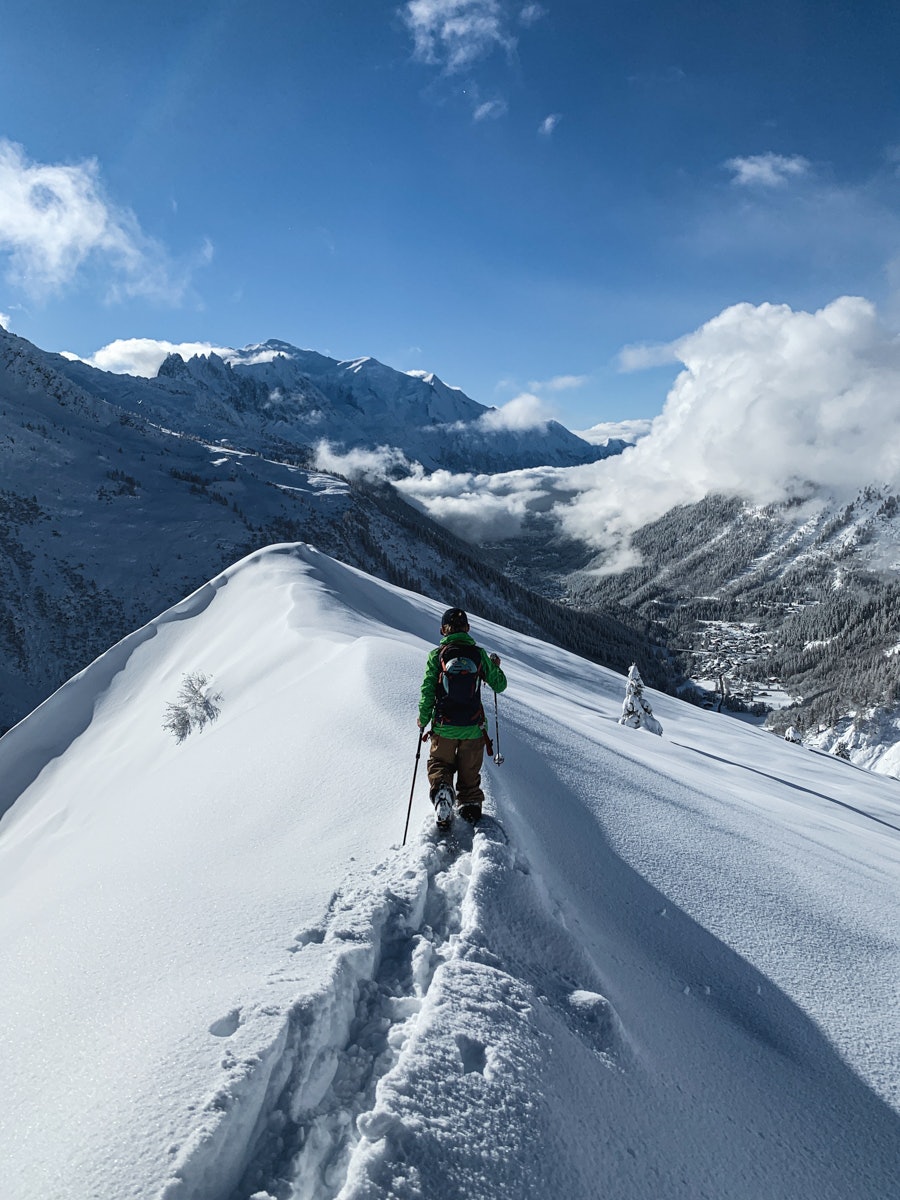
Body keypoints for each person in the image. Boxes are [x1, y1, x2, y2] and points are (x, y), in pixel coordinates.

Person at [417, 606, 507, 826]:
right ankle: (470, 805)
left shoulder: (436, 656)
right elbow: (500, 685)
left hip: (443, 726)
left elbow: (428, 689)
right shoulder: (478, 655)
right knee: (469, 773)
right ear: (467, 628)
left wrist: (423, 718)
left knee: (439, 764)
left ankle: (443, 793)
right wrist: (494, 667)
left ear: (443, 630)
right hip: (473, 727)